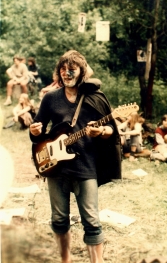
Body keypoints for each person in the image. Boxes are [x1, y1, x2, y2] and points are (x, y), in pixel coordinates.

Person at [29, 50, 121, 263]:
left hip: (86, 165)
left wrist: (101, 132)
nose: (66, 74)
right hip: (55, 167)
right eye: (63, 70)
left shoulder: (95, 97)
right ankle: (65, 260)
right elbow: (39, 130)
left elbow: (111, 130)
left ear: (81, 72)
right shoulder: (50, 98)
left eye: (72, 70)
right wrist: (35, 131)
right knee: (59, 219)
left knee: (92, 221)